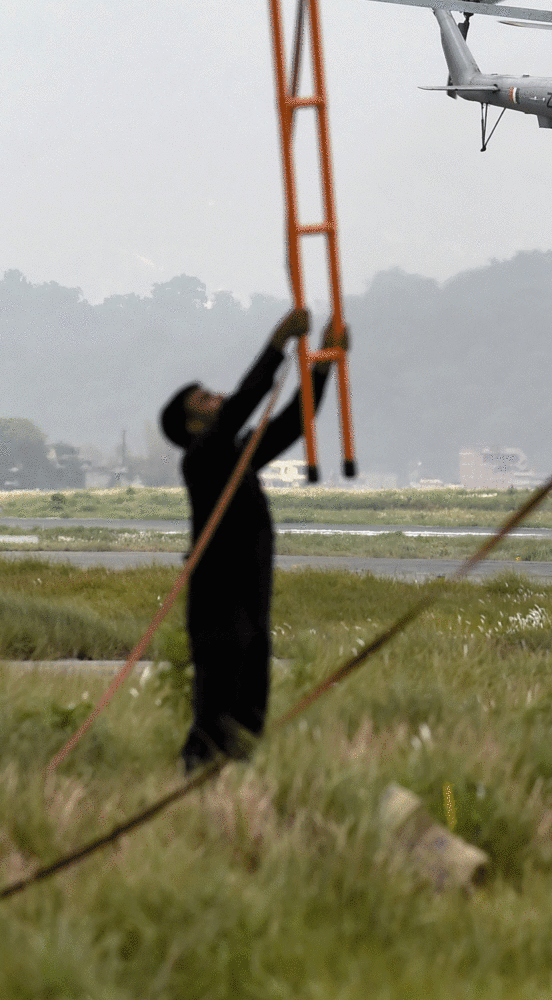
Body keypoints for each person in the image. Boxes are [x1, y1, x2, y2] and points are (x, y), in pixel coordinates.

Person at [159, 306, 338, 771]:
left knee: (252, 695)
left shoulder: (236, 456)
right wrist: (277, 344)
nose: (213, 397)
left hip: (250, 592)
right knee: (217, 699)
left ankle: (238, 781)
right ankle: (194, 778)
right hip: (217, 597)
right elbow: (243, 404)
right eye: (201, 400)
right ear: (191, 426)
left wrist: (324, 364)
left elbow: (292, 423)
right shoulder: (200, 459)